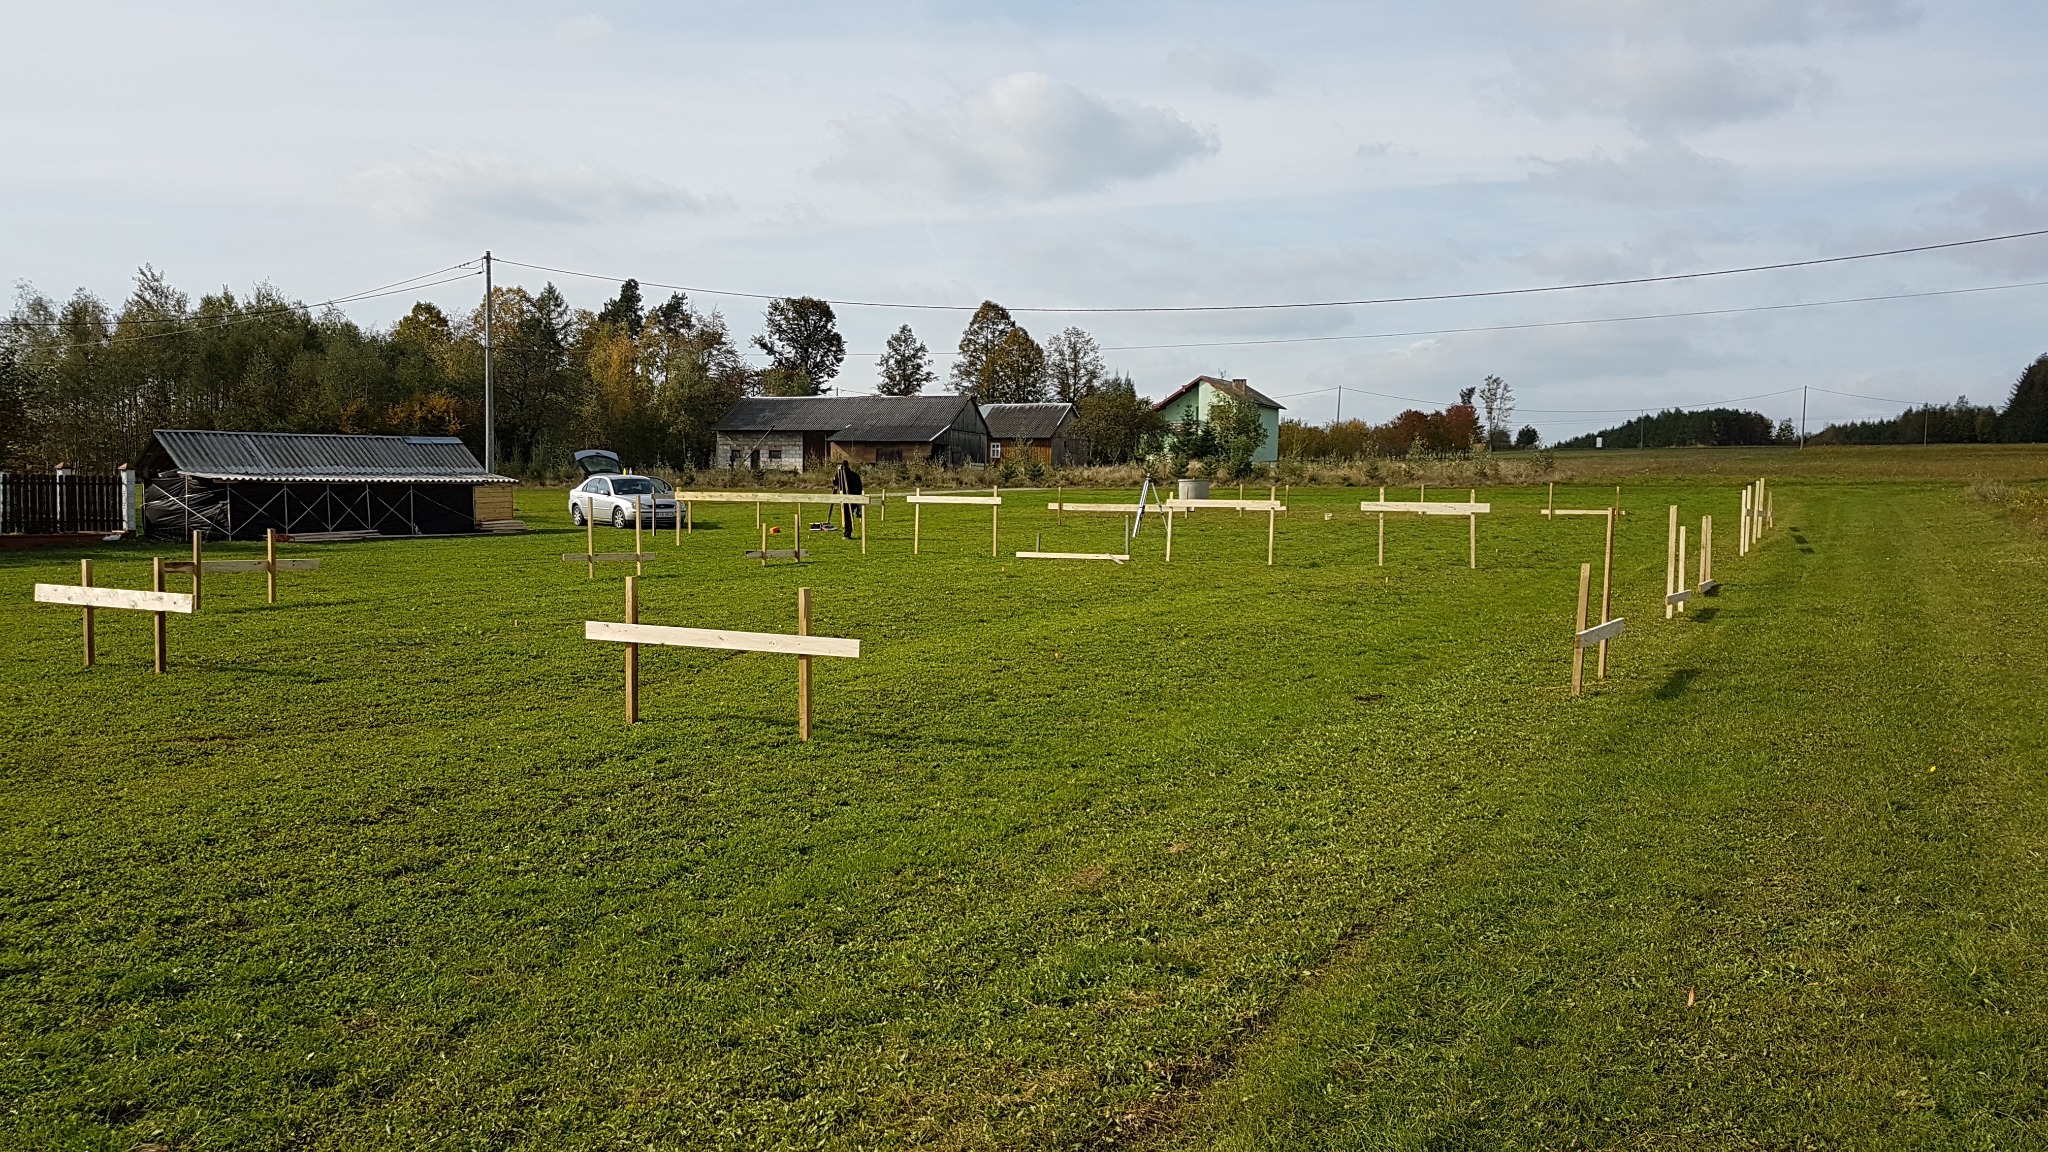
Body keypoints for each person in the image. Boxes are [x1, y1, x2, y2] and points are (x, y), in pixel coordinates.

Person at [832, 461, 864, 539]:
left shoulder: (840, 475)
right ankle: (848, 530)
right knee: (849, 514)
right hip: (855, 497)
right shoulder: (855, 475)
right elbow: (860, 487)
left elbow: (835, 483)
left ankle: (847, 532)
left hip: (846, 497)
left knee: (847, 515)